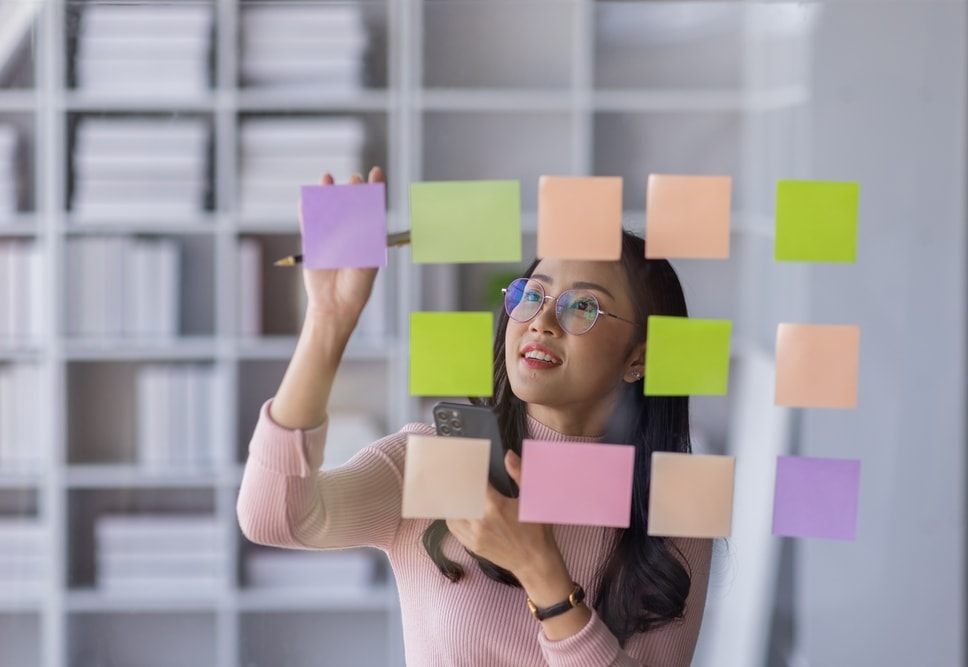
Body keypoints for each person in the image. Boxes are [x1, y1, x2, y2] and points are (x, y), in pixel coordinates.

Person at [237, 167, 712, 666]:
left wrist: (542, 571)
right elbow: (275, 517)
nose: (541, 322)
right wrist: (328, 322)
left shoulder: (675, 508)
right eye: (532, 294)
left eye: (584, 307)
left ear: (639, 357)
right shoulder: (437, 461)